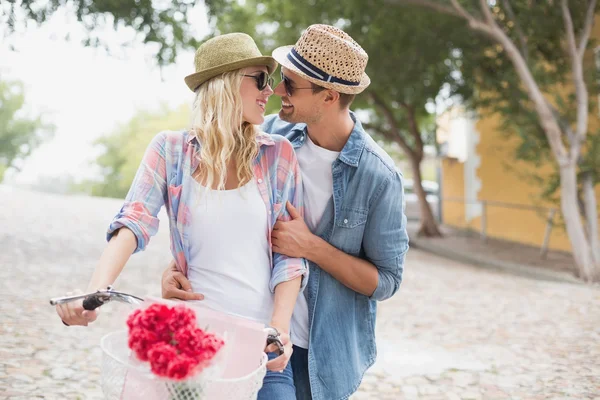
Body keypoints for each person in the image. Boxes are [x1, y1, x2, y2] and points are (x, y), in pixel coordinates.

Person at [54, 32, 309, 400]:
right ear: (224, 85)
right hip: (189, 346)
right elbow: (133, 221)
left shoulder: (278, 156)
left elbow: (289, 255)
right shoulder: (170, 151)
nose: (269, 90)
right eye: (259, 78)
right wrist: (97, 289)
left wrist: (279, 330)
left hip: (258, 350)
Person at [162, 24, 410, 400]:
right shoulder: (267, 137)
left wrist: (312, 248)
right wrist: (176, 268)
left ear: (328, 97)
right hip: (250, 331)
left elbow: (387, 281)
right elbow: (201, 196)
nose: (276, 91)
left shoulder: (378, 177)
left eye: (290, 85)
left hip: (317, 353)